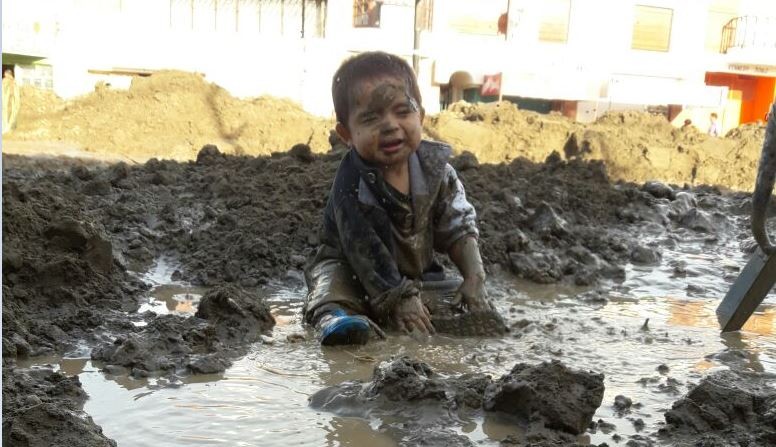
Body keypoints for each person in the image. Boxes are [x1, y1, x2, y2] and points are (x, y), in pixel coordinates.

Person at [303, 51, 491, 345]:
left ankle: (411, 306)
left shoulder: (437, 172)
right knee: (329, 291)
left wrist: (473, 276)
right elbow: (363, 247)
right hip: (353, 269)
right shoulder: (352, 184)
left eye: (402, 112)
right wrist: (397, 297)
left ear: (422, 116)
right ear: (346, 134)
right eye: (371, 118)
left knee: (454, 294)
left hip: (414, 275)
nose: (390, 125)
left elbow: (458, 225)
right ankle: (336, 320)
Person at [2, 68, 21, 134]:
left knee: (5, 113)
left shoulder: (5, 81)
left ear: (6, 74)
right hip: (13, 102)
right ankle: (10, 127)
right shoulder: (14, 82)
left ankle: (5, 128)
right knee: (12, 113)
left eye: (5, 74)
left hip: (5, 101)